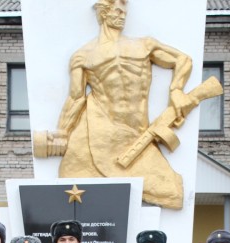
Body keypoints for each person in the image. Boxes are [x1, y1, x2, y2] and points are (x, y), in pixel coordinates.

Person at [46, 0, 197, 209]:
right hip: (104, 132)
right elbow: (75, 97)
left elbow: (183, 59)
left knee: (171, 192)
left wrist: (176, 90)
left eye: (124, 12)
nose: (122, 16)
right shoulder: (83, 56)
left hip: (138, 133)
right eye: (117, 11)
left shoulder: (144, 45)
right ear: (104, 14)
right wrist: (62, 133)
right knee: (72, 187)